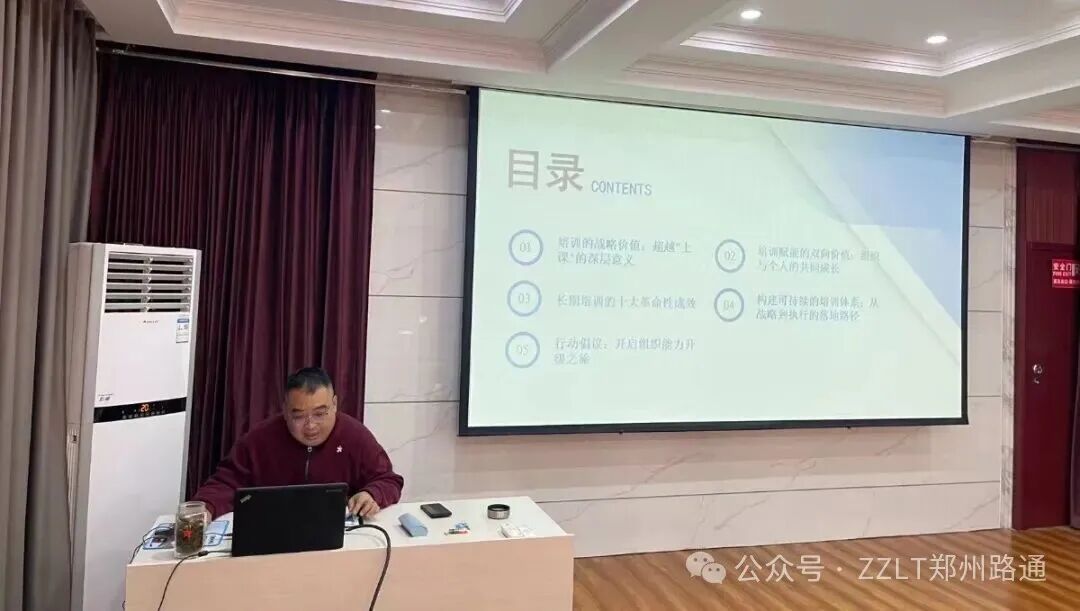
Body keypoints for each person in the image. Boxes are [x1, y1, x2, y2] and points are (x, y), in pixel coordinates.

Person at [191, 367, 403, 519]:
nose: (311, 426)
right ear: (285, 411)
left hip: (337, 536)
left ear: (334, 404)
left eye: (320, 414)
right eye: (299, 416)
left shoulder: (354, 435)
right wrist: (205, 508)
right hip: (274, 533)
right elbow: (225, 482)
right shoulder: (260, 439)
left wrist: (372, 494)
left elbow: (388, 479)